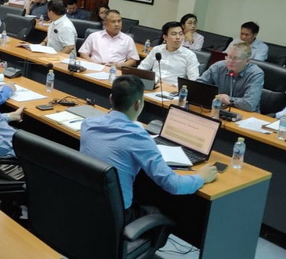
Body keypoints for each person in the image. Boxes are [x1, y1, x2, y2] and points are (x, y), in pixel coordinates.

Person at [81, 75, 217, 220]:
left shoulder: (88, 124)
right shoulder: (138, 137)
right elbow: (174, 185)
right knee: (160, 213)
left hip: (85, 203)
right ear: (138, 104)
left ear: (110, 99)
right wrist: (201, 177)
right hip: (115, 216)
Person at [197, 41, 264, 112]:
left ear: (247, 61)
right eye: (229, 57)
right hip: (219, 109)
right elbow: (198, 86)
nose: (230, 61)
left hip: (245, 114)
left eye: (235, 58)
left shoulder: (255, 74)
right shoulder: (218, 67)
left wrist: (229, 100)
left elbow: (249, 104)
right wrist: (217, 97)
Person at [138, 21, 200, 87]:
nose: (178, 37)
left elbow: (193, 81)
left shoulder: (190, 56)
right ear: (165, 37)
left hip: (173, 89)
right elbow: (142, 67)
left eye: (181, 34)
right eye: (174, 34)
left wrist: (174, 86)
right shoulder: (157, 50)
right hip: (153, 85)